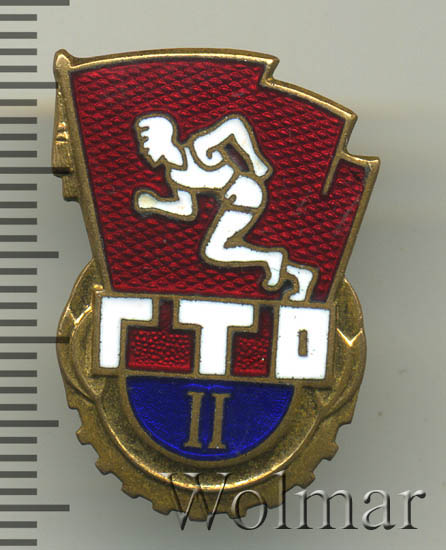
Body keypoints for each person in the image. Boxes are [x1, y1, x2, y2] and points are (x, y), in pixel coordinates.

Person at [134, 113, 316, 301]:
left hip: (246, 193)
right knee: (216, 251)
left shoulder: (198, 149)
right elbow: (186, 209)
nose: (143, 148)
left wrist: (256, 162)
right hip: (234, 200)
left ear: (163, 136)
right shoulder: (175, 175)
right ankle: (296, 273)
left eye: (146, 139)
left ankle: (275, 261)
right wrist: (155, 204)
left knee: (214, 251)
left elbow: (234, 125)